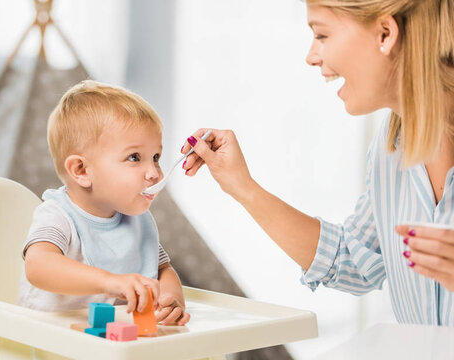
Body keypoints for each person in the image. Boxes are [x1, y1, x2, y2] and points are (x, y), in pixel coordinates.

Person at [181, 0, 454, 326]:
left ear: (385, 33)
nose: (311, 56)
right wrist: (242, 187)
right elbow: (352, 260)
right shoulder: (388, 150)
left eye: (322, 35)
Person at [19, 80, 189, 360]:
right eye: (135, 158)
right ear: (82, 170)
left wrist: (171, 301)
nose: (154, 172)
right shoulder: (58, 216)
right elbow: (39, 266)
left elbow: (163, 269)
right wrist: (110, 281)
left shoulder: (138, 222)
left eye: (156, 156)